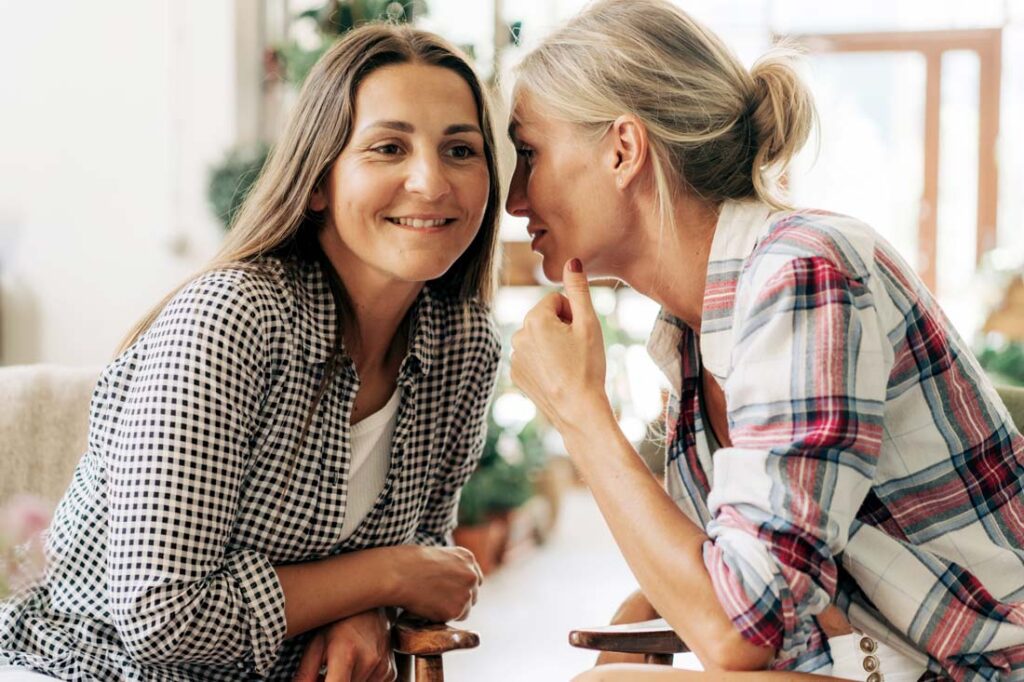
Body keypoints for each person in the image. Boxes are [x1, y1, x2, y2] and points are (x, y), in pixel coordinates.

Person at [505, 1, 1024, 680]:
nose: (514, 198)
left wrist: (579, 411)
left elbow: (737, 633)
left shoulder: (802, 272)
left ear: (622, 150)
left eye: (528, 153)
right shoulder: (694, 334)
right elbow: (740, 578)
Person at [0, 23, 503, 681]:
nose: (432, 183)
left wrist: (369, 606)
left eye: (460, 150)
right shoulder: (233, 319)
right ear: (317, 181)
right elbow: (160, 619)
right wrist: (386, 575)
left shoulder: (464, 346)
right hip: (88, 668)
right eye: (388, 147)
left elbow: (425, 554)